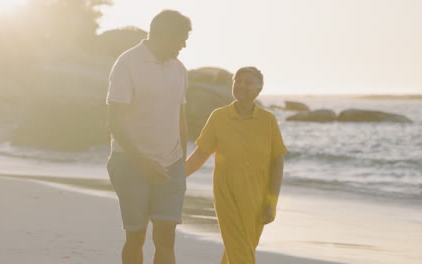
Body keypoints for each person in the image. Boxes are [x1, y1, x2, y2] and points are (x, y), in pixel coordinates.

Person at [105, 10, 191, 264]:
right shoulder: (127, 63)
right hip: (131, 164)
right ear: (164, 35)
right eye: (181, 38)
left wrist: (182, 164)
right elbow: (115, 122)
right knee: (137, 237)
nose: (184, 45)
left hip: (171, 165)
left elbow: (180, 117)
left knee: (166, 238)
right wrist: (143, 162)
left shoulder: (180, 69)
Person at [186, 67, 287, 264]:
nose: (241, 85)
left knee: (241, 247)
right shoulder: (218, 116)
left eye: (248, 82)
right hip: (227, 192)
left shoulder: (268, 121)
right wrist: (175, 177)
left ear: (258, 89)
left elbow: (277, 163)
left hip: (257, 196)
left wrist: (271, 202)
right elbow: (200, 154)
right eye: (237, 81)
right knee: (241, 251)